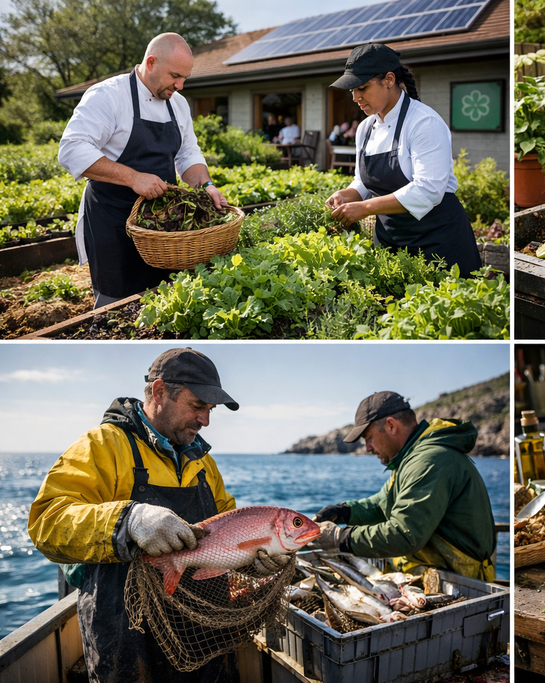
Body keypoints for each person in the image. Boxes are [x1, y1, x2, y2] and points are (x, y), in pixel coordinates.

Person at [27, 349, 288, 682]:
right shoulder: (102, 445)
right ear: (161, 391)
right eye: (197, 406)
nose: (205, 420)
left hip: (201, 635)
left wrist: (253, 559)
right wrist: (129, 520)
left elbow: (228, 527)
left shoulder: (202, 462)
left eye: (210, 410)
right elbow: (47, 522)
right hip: (125, 632)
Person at [58, 33, 228, 309]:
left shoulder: (178, 104)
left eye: (185, 77)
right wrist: (133, 178)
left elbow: (188, 154)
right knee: (117, 308)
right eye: (175, 75)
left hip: (162, 225)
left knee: (164, 300)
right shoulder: (109, 96)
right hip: (113, 220)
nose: (181, 85)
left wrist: (206, 185)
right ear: (150, 62)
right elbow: (72, 148)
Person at [324, 43, 482, 277]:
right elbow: (363, 181)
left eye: (363, 88)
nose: (356, 97)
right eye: (352, 91)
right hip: (390, 241)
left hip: (437, 243)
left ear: (389, 79)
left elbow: (429, 190)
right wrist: (348, 194)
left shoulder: (423, 122)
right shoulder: (365, 128)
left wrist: (365, 208)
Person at [313, 391, 497, 581]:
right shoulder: (412, 458)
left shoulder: (428, 461)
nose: (367, 448)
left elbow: (404, 534)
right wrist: (344, 511)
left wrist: (340, 538)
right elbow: (381, 503)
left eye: (368, 438)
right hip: (432, 573)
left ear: (391, 425)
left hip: (460, 583)